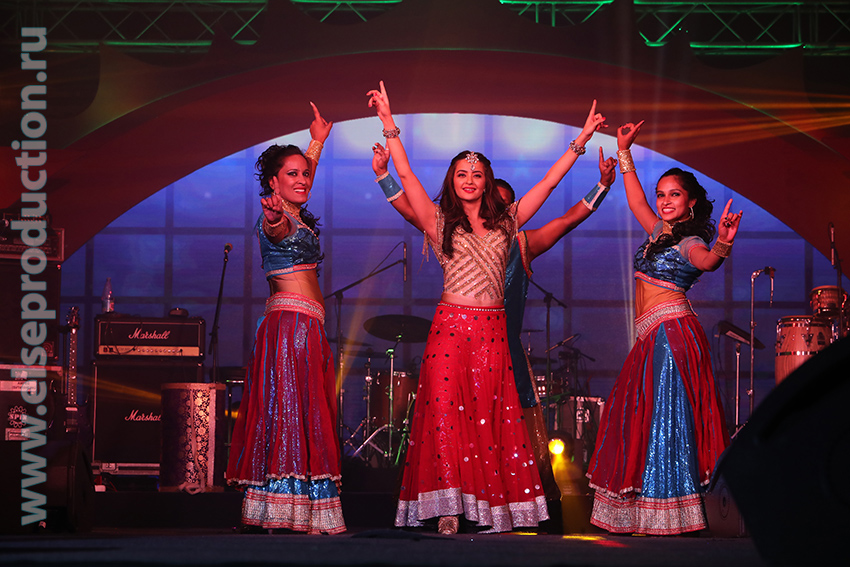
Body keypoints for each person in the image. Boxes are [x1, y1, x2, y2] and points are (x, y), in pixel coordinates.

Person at [367, 81, 607, 534]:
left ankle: (490, 509)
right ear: (452, 181)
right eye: (461, 174)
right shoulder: (438, 222)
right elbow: (409, 179)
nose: (469, 180)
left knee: (489, 422)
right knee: (444, 417)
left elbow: (549, 183)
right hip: (449, 330)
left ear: (487, 182)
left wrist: (582, 138)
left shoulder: (509, 222)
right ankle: (448, 509)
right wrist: (388, 123)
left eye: (477, 174)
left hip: (492, 332)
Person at [586, 120, 741, 535]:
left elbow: (708, 262)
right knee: (642, 415)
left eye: (674, 195)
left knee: (665, 419)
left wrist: (723, 242)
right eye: (662, 194)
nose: (665, 200)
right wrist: (624, 151)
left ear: (691, 203)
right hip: (652, 337)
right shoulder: (657, 231)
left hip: (671, 336)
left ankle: (671, 513)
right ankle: (651, 513)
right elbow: (635, 199)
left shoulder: (690, 242)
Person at [225, 103, 346, 535]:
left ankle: (288, 508)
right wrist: (274, 217)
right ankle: (286, 508)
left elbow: (301, 178)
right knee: (293, 411)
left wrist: (317, 142)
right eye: (291, 175)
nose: (302, 180)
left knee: (300, 410)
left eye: (305, 174)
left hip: (303, 327)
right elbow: (277, 227)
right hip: (292, 327)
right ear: (272, 184)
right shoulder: (276, 219)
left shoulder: (295, 210)